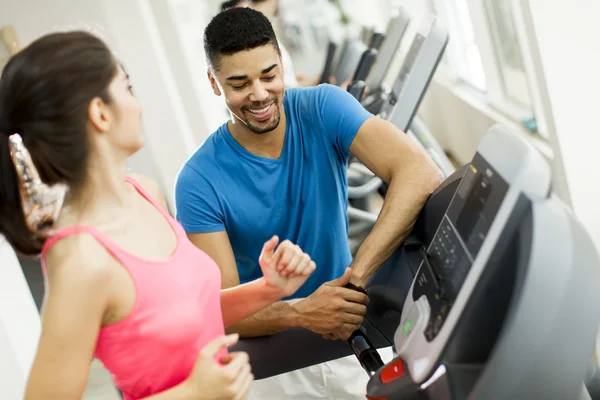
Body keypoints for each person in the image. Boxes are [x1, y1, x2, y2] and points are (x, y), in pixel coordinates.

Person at [0, 30, 317, 400]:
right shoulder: (81, 260)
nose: (138, 105)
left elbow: (185, 311)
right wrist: (193, 393)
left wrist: (269, 288)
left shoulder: (145, 193)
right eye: (127, 88)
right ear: (100, 113)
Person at [174, 7, 443, 400]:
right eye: (239, 83)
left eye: (268, 75)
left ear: (282, 63)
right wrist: (302, 311)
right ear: (215, 84)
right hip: (271, 357)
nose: (260, 94)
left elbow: (420, 171)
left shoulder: (321, 108)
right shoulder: (198, 181)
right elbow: (220, 308)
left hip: (346, 329)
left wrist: (354, 280)